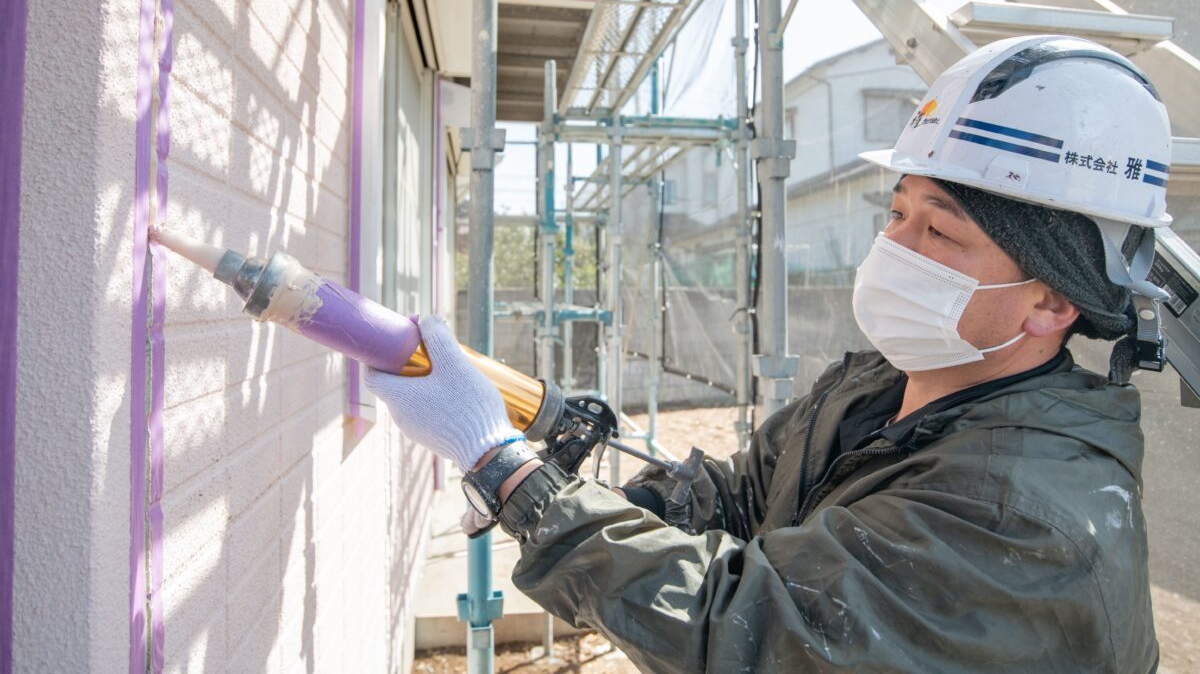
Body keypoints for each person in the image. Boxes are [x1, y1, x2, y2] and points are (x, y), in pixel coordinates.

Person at [367, 35, 1173, 672]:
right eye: (897, 214)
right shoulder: (878, 388)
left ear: (1052, 300)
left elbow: (749, 631)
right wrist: (580, 496)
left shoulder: (1026, 517)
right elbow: (743, 498)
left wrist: (508, 472)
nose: (893, 248)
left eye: (939, 231)